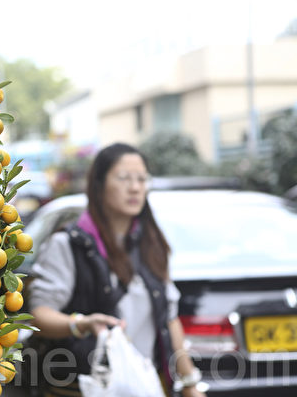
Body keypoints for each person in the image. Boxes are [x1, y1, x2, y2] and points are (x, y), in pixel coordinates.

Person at [27, 143, 206, 397]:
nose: (135, 187)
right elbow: (39, 315)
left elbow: (169, 318)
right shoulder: (69, 244)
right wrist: (81, 324)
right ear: (99, 185)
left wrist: (189, 384)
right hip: (88, 387)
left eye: (142, 179)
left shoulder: (151, 243)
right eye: (124, 178)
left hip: (146, 386)